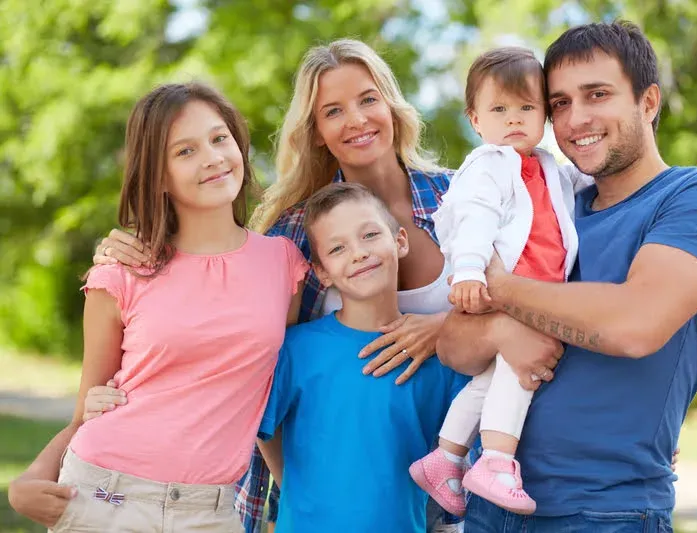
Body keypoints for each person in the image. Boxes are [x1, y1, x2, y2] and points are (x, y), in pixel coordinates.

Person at [85, 39, 521, 533]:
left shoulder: (463, 197)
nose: (356, 120)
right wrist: (131, 247)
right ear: (315, 132)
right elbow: (241, 346)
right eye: (333, 111)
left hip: (459, 473)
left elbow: (528, 301)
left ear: (392, 106)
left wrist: (442, 328)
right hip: (329, 493)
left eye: (367, 99)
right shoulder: (292, 236)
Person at [437, 21, 697, 532]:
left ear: (648, 102)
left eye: (597, 94)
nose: (575, 118)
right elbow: (453, 345)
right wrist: (497, 328)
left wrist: (501, 289)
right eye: (559, 102)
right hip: (491, 503)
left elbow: (634, 326)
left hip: (606, 511)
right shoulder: (549, 207)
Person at [7, 83, 307, 531]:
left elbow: (274, 395)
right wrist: (28, 480)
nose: (212, 157)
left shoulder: (284, 263)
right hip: (105, 497)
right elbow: (86, 411)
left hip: (211, 511)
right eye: (185, 151)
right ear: (159, 176)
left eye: (219, 138)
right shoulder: (122, 272)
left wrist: (298, 498)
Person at [409, 47, 590, 516]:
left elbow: (578, 183)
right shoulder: (487, 164)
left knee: (490, 381)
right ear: (475, 119)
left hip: (535, 289)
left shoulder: (545, 165)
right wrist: (469, 269)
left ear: (545, 116)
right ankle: (496, 460)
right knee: (518, 370)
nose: (514, 119)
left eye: (527, 108)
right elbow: (474, 217)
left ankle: (445, 457)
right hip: (504, 285)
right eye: (499, 109)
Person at [252, 182, 468, 532]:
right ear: (321, 271)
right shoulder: (296, 349)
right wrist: (294, 489)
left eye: (369, 235)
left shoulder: (438, 358)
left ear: (399, 241)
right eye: (338, 248)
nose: (358, 253)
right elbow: (264, 431)